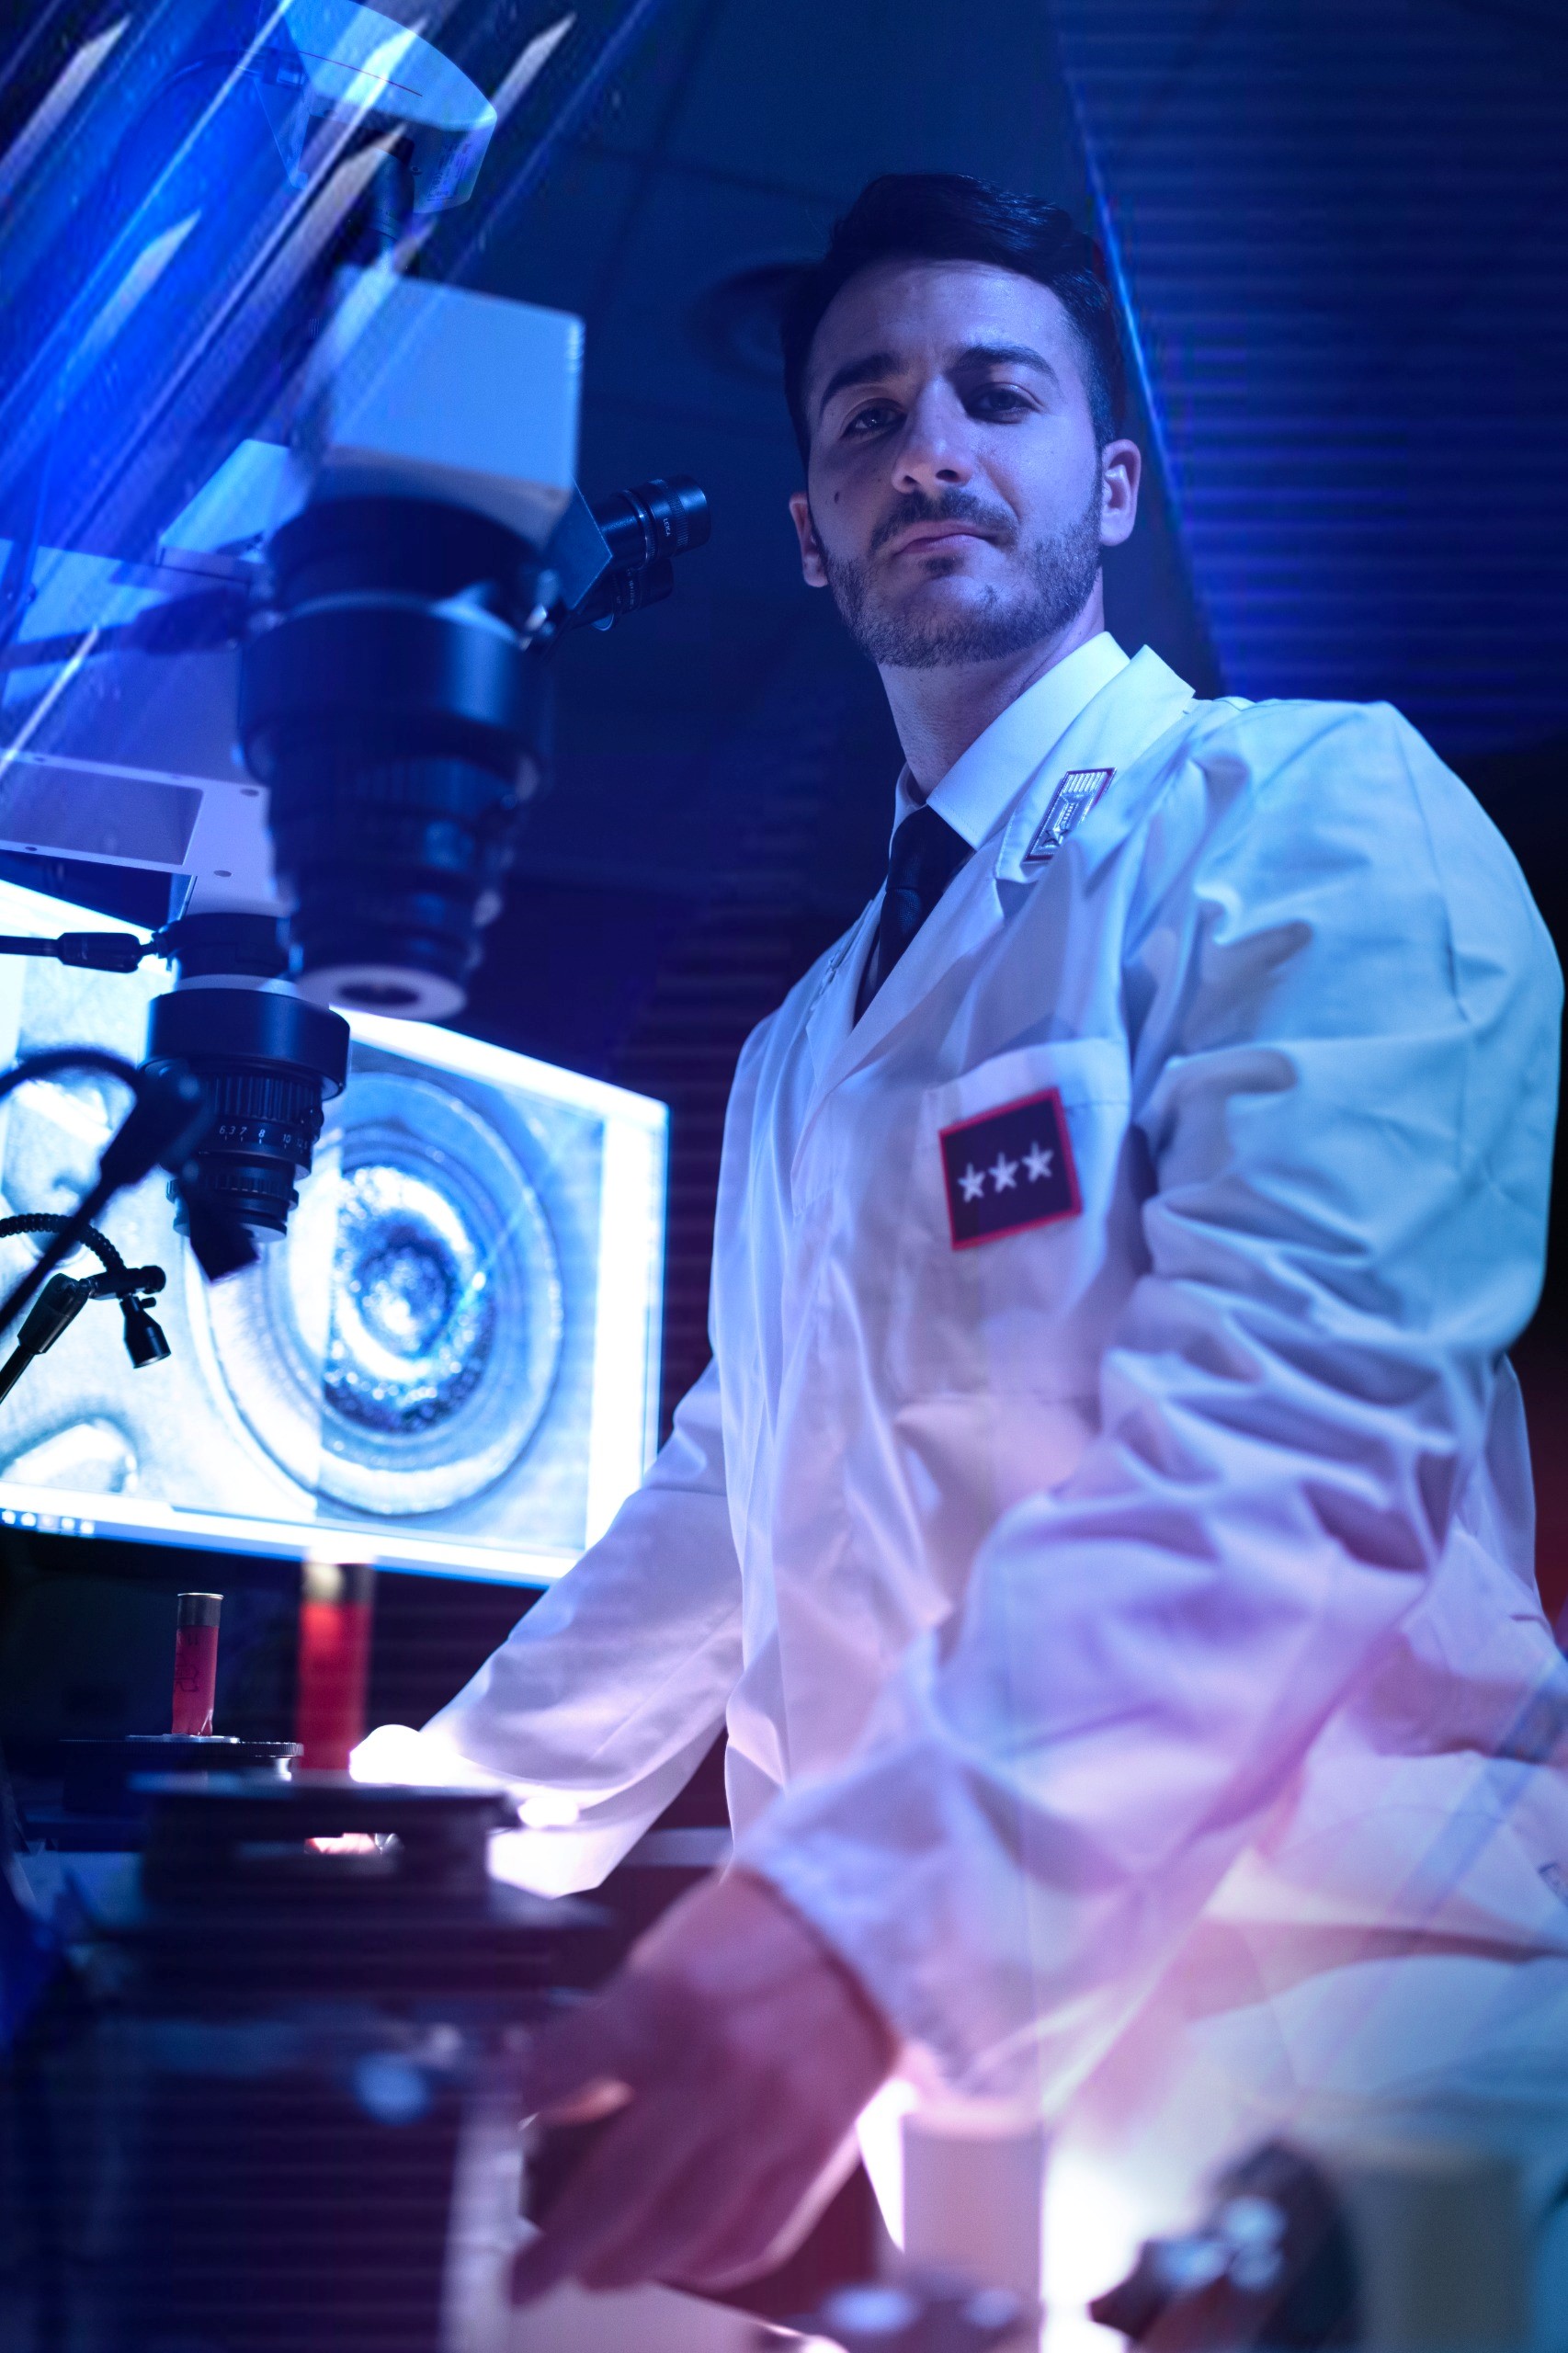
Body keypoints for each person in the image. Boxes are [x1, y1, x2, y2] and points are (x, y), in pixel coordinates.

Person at [365, 175, 1568, 2331]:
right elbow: (734, 1500)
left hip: (1367, 2089)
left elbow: (1294, 1444)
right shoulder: (798, 1041)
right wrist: (424, 1833)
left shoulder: (1312, 818)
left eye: (995, 396)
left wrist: (854, 1929)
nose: (926, 446)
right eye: (866, 416)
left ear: (1108, 485)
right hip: (1001, 2145)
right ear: (810, 533)